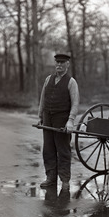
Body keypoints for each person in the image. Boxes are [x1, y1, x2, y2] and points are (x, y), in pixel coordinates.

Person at [37, 53, 79, 196]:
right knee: (48, 149)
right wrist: (40, 115)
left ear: (67, 64)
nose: (59, 65)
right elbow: (43, 98)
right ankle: (51, 178)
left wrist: (71, 120)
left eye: (62, 63)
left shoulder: (71, 82)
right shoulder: (48, 79)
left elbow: (75, 103)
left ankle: (65, 180)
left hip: (62, 119)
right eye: (57, 63)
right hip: (48, 118)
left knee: (63, 151)